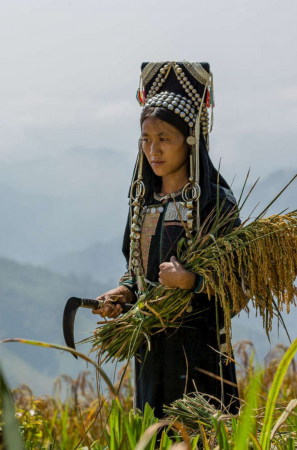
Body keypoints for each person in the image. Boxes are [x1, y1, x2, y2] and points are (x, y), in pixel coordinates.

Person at [92, 61, 241, 417]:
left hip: (200, 356)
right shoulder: (142, 204)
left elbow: (238, 285)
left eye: (164, 139)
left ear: (190, 141)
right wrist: (124, 293)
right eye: (146, 139)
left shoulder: (215, 204)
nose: (153, 150)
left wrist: (191, 281)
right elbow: (135, 270)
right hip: (150, 352)